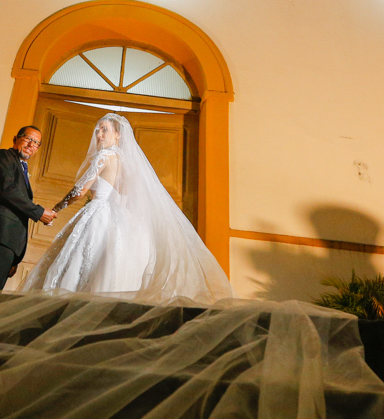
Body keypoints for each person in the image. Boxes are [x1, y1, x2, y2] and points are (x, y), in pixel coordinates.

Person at [20, 113, 232, 304]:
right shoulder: (126, 161)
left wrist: (57, 208)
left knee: (82, 262)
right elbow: (127, 194)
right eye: (98, 130)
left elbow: (80, 190)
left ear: (118, 135)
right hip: (115, 216)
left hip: (99, 212)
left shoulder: (104, 156)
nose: (99, 134)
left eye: (105, 130)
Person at [0, 125, 56, 292]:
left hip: (7, 243)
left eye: (36, 143)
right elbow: (7, 190)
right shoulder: (4, 156)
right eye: (28, 139)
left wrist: (14, 257)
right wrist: (39, 212)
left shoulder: (22, 167)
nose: (31, 144)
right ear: (16, 139)